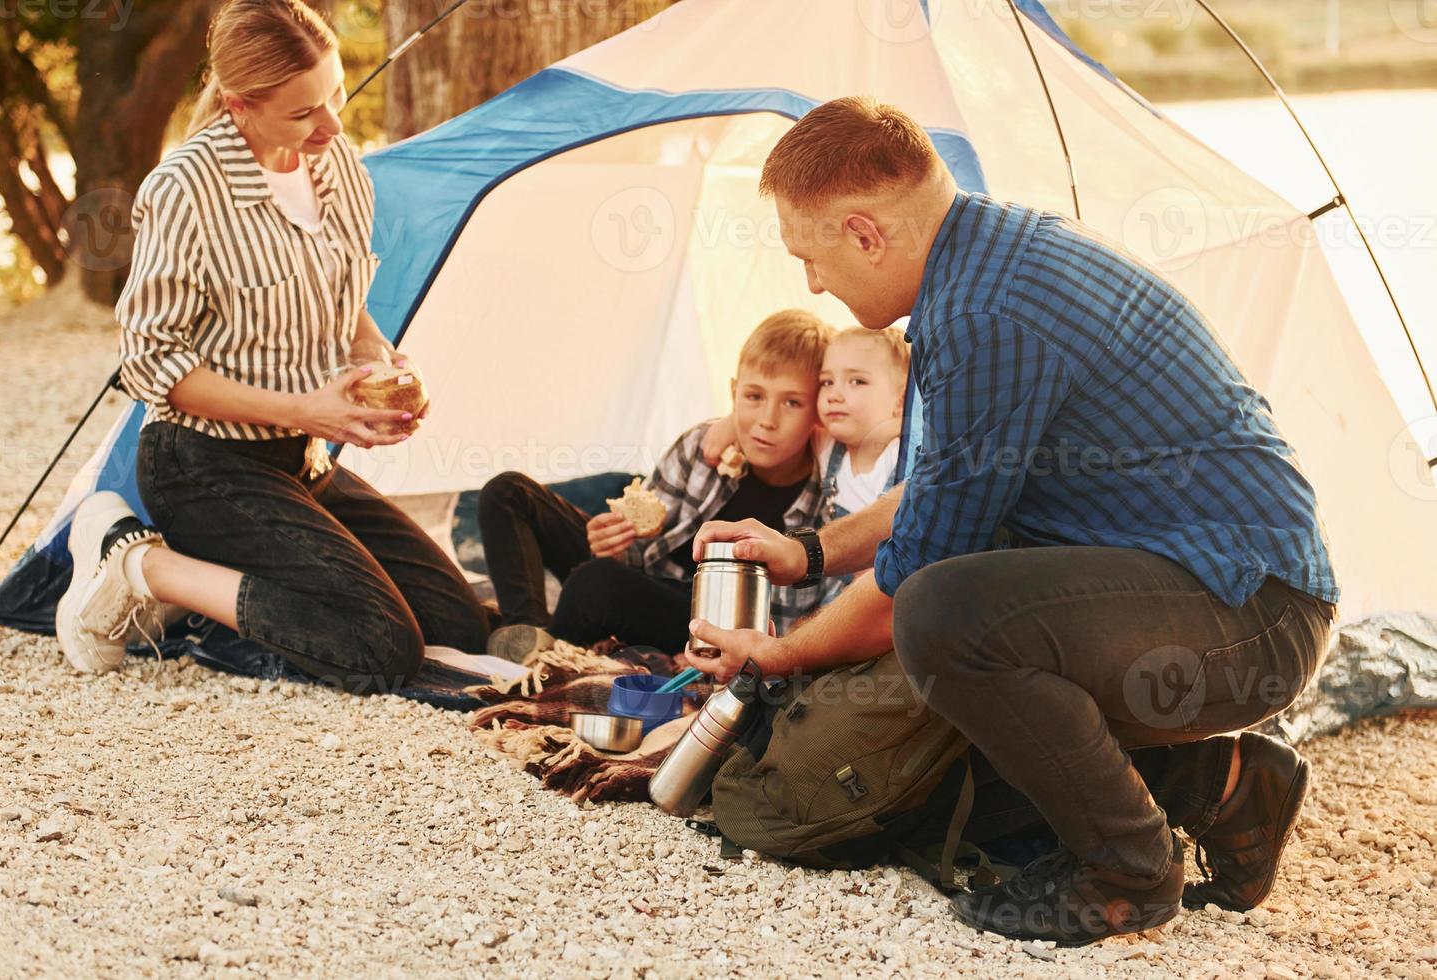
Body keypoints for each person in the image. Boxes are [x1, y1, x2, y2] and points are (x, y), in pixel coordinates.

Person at [684, 97, 1338, 945]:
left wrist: (778, 654)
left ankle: (1128, 874)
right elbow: (934, 497)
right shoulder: (984, 262)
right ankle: (1225, 781)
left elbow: (919, 575)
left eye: (812, 257)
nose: (815, 285)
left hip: (1253, 614)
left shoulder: (986, 317)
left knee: (947, 620)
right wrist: (805, 553)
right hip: (1210, 595)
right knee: (972, 633)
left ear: (865, 234)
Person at [54, 0, 490, 694]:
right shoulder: (185, 189)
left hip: (300, 463)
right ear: (240, 106)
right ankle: (140, 566)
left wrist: (380, 362)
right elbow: (150, 363)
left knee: (459, 626)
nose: (334, 124)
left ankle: (214, 588)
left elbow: (343, 309)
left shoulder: (339, 166)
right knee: (380, 648)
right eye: (304, 112)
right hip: (200, 465)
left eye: (336, 95)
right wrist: (305, 409)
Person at [477, 310, 838, 661]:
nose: (767, 420)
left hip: (707, 619)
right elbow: (646, 548)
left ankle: (549, 654)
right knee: (508, 493)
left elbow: (789, 622)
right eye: (754, 397)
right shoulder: (701, 445)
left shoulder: (829, 495)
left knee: (595, 584)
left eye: (792, 403)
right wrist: (615, 544)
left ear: (819, 410)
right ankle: (527, 635)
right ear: (733, 393)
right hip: (651, 576)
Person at [705, 325, 907, 521]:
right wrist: (732, 420)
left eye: (857, 381)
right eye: (827, 382)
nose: (834, 395)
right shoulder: (826, 443)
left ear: (901, 399)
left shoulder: (907, 461)